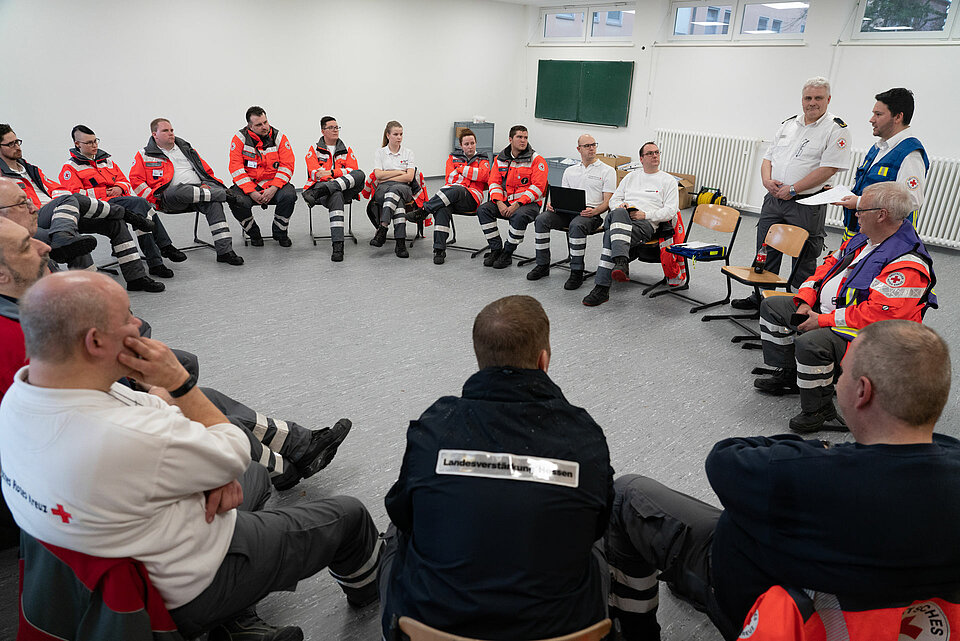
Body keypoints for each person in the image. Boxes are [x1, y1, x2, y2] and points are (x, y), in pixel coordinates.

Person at [0, 269, 382, 640]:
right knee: (347, 516)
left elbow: (160, 414)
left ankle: (238, 617)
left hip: (127, 547)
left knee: (255, 474)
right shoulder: (123, 435)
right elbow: (227, 446)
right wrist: (179, 383)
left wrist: (212, 466)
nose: (139, 324)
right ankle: (373, 595)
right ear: (96, 342)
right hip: (183, 584)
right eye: (128, 318)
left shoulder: (22, 397)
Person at [606, 319, 960, 641]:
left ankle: (637, 632)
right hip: (872, 605)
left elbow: (725, 458)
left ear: (862, 391)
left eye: (842, 375)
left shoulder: (807, 473)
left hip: (747, 594)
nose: (837, 383)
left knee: (627, 493)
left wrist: (817, 446)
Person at [0, 176, 349, 494]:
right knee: (194, 399)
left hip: (107, 380)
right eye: (21, 203)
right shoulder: (15, 326)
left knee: (197, 388)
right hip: (98, 434)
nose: (32, 206)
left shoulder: (28, 278)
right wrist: (149, 392)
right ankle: (281, 466)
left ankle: (298, 449)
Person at [379, 295, 613, 640]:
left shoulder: (434, 427)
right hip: (564, 631)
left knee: (399, 527)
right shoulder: (584, 437)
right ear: (544, 359)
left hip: (429, 629)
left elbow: (402, 516)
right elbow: (597, 527)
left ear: (479, 360)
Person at [753, 182, 936, 433]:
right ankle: (791, 374)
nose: (855, 213)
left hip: (872, 333)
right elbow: (825, 269)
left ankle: (819, 410)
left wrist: (823, 320)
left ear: (881, 215)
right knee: (773, 307)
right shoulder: (863, 239)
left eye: (861, 209)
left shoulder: (907, 264)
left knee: (811, 343)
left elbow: (880, 316)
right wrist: (806, 300)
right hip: (832, 310)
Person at [732, 77, 851, 310]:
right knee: (765, 249)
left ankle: (798, 305)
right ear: (802, 99)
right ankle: (761, 299)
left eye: (818, 98)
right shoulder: (789, 124)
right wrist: (767, 181)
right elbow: (768, 157)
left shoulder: (835, 129)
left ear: (828, 100)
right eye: (808, 98)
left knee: (804, 258)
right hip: (774, 198)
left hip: (807, 202)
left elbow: (829, 168)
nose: (812, 103)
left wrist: (794, 189)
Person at [0, 125, 164, 292]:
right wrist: (61, 201)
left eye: (17, 141)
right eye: (11, 144)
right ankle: (124, 216)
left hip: (63, 214)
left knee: (114, 223)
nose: (17, 147)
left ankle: (136, 277)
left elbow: (57, 188)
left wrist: (61, 201)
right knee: (71, 201)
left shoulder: (30, 169)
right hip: (33, 216)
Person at [59, 124, 186, 279]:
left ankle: (156, 261)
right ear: (77, 144)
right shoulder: (70, 168)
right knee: (140, 204)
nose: (94, 145)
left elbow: (125, 181)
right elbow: (75, 196)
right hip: (98, 206)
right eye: (89, 143)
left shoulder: (107, 161)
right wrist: (103, 192)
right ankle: (163, 249)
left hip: (117, 201)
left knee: (141, 214)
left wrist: (119, 187)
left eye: (95, 141)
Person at [129, 118, 244, 266]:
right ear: (154, 134)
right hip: (169, 198)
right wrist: (153, 199)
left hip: (199, 193)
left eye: (171, 130)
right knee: (178, 190)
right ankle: (225, 195)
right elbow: (136, 181)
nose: (171, 133)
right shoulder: (143, 154)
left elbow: (206, 172)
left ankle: (225, 251)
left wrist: (206, 185)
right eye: (165, 130)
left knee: (213, 203)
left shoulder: (185, 149)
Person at [582, 142, 678, 307]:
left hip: (646, 224)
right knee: (618, 212)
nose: (655, 155)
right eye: (650, 153)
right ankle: (620, 262)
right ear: (641, 159)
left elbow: (671, 210)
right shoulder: (631, 177)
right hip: (624, 219)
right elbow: (614, 200)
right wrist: (621, 206)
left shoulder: (668, 180)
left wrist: (645, 214)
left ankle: (603, 287)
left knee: (610, 235)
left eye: (657, 152)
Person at [835, 88, 928, 240]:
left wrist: (859, 202)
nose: (871, 119)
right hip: (860, 233)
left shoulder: (910, 154)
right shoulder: (879, 148)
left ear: (898, 117)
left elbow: (910, 201)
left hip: (884, 240)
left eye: (878, 114)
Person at [528, 134, 615, 290]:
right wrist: (553, 204)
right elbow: (564, 196)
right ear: (579, 149)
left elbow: (608, 201)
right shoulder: (570, 170)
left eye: (594, 145)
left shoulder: (607, 171)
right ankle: (542, 264)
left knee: (576, 225)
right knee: (541, 219)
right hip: (566, 212)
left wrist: (594, 211)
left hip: (591, 215)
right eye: (587, 146)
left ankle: (576, 271)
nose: (592, 148)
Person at [475, 125, 547, 269]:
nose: (523, 140)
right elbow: (493, 182)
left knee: (519, 216)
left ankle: (507, 252)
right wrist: (499, 202)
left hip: (528, 204)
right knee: (483, 209)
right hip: (505, 201)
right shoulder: (500, 159)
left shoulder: (537, 160)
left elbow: (538, 188)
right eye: (519, 137)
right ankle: (496, 249)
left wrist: (517, 204)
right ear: (510, 139)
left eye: (525, 137)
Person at [227, 106, 297, 247]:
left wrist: (274, 187)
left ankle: (280, 233)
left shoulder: (279, 137)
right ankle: (254, 233)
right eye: (259, 125)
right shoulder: (239, 139)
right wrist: (251, 191)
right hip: (250, 184)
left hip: (273, 183)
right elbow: (236, 168)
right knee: (234, 199)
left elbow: (287, 165)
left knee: (289, 195)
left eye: (265, 122)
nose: (264, 127)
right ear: (249, 126)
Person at [419, 127, 489, 265]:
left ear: (476, 143)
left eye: (472, 143)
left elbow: (484, 175)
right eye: (466, 144)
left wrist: (462, 169)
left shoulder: (483, 158)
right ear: (461, 146)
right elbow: (450, 177)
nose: (470, 146)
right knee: (442, 208)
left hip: (472, 198)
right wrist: (472, 174)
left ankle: (424, 210)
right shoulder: (452, 158)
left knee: (457, 189)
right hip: (451, 195)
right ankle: (439, 249)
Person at [301, 116, 366, 262]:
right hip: (329, 189)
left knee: (360, 174)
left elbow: (353, 170)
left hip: (330, 189)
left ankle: (319, 192)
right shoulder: (314, 150)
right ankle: (338, 246)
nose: (335, 130)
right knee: (336, 194)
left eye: (337, 127)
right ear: (323, 130)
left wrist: (331, 173)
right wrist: (338, 177)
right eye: (331, 127)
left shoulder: (347, 149)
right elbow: (314, 173)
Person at [369, 120, 417, 258]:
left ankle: (383, 228)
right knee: (398, 202)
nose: (399, 137)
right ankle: (400, 244)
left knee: (395, 190)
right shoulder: (380, 152)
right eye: (396, 134)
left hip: (404, 188)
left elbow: (409, 178)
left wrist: (387, 176)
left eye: (401, 134)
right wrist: (400, 172)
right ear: (388, 135)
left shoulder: (408, 153)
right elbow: (378, 176)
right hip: (383, 189)